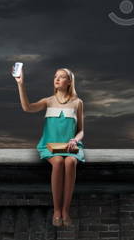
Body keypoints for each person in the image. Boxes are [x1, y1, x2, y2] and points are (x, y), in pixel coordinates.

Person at [13, 66, 85, 227]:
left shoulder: (77, 103)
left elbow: (81, 131)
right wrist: (20, 84)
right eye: (55, 76)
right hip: (49, 145)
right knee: (58, 161)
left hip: (70, 146)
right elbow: (27, 108)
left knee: (70, 162)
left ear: (69, 81)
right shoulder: (48, 101)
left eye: (62, 76)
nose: (57, 79)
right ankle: (57, 210)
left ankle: (66, 210)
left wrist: (75, 140)